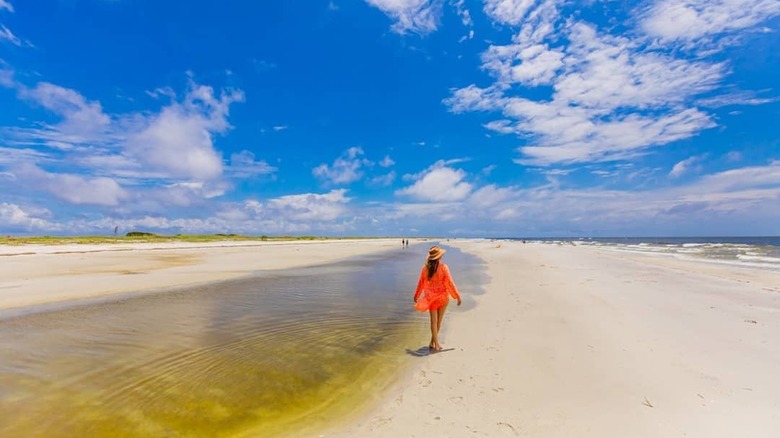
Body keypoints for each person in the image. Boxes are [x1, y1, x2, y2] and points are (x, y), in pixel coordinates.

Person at [413, 245, 462, 351]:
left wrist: (416, 294)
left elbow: (421, 282)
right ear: (439, 257)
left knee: (433, 321)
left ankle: (433, 343)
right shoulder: (444, 267)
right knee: (438, 321)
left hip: (431, 298)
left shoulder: (425, 268)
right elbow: (450, 282)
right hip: (443, 297)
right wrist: (457, 295)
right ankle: (436, 344)